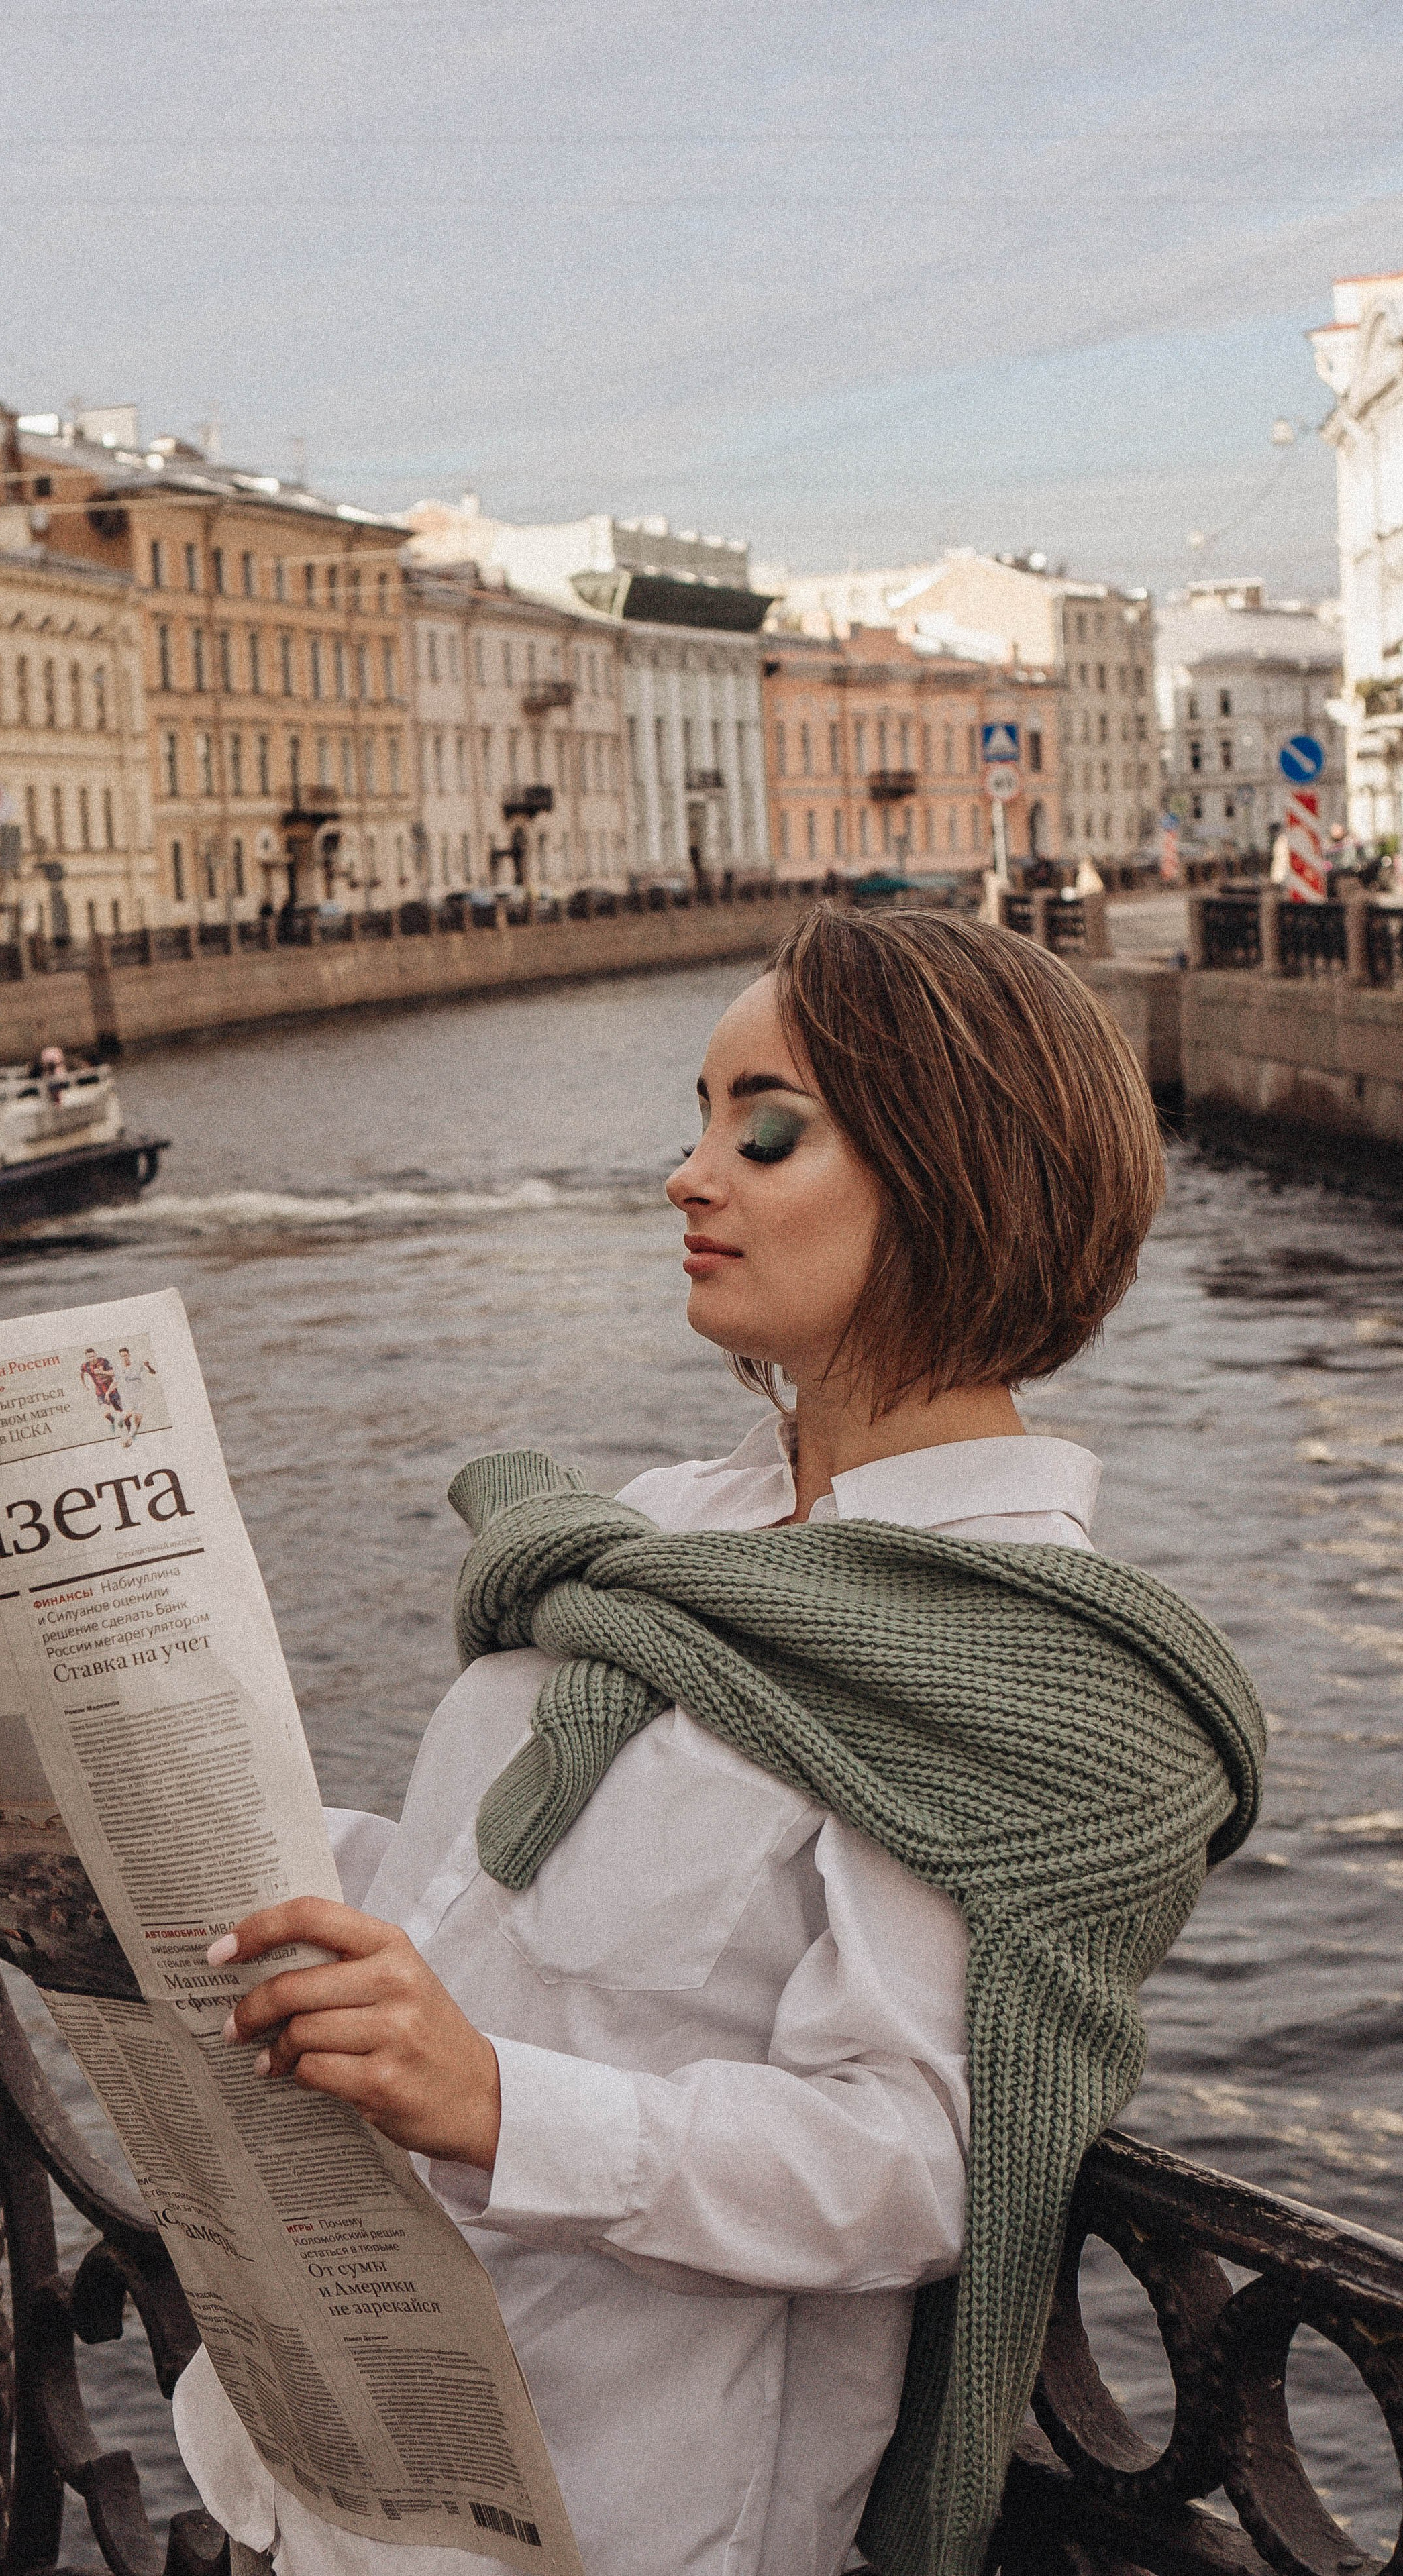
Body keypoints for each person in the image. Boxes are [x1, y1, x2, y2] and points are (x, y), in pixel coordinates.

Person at [174, 910, 1264, 2576]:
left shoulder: (1028, 1663)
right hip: (331, 2443)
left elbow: (916, 2162)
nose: (689, 1173)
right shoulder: (658, 1533)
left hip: (607, 2515)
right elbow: (486, 1915)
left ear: (951, 1167)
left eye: (762, 1127)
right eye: (695, 1118)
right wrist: (195, 1826)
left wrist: (493, 2102)